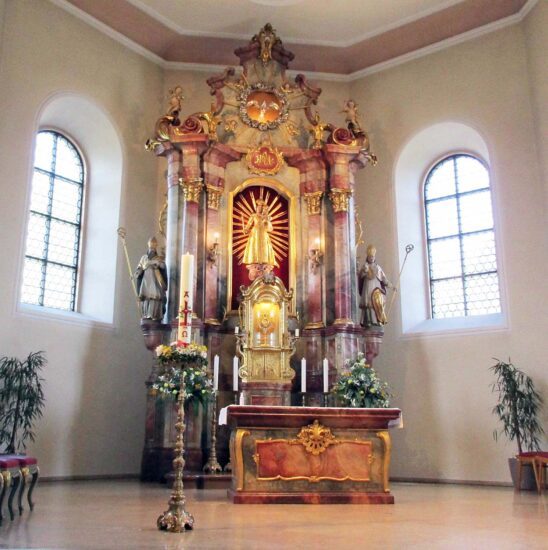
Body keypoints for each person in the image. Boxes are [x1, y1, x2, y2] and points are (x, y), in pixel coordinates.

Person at [359, 245, 393, 327]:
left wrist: (390, 285)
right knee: (367, 303)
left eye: (373, 256)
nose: (371, 258)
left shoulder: (378, 268)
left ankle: (378, 320)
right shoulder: (365, 266)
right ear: (367, 257)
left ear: (375, 257)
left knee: (377, 303)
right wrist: (365, 271)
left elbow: (383, 278)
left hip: (376, 287)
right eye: (370, 256)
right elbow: (361, 276)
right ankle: (368, 321)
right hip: (367, 286)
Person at [134, 237, 167, 321]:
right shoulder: (144, 258)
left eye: (153, 248)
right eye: (150, 248)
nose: (152, 250)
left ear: (155, 248)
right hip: (146, 280)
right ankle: (146, 314)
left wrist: (158, 264)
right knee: (146, 296)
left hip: (155, 279)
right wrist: (137, 273)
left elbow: (163, 267)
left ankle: (153, 314)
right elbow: (140, 267)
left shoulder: (159, 258)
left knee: (155, 296)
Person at [241, 199, 278, 268]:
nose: (259, 209)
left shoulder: (266, 217)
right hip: (255, 233)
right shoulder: (253, 216)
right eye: (258, 207)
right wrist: (246, 229)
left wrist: (267, 220)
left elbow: (270, 228)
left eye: (260, 208)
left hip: (263, 233)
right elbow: (249, 224)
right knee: (255, 245)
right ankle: (255, 260)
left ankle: (264, 260)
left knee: (264, 246)